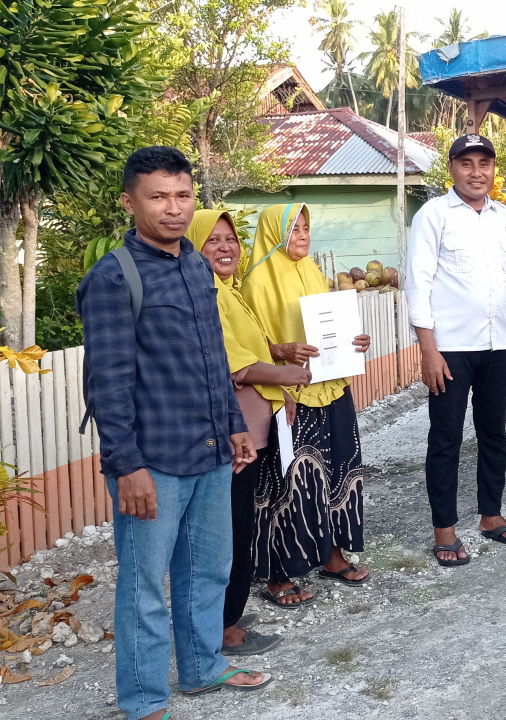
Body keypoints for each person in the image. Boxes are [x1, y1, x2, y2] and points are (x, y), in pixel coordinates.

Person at [78, 147, 271, 720]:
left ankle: (204, 667)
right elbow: (107, 383)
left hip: (210, 451)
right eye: (158, 196)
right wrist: (126, 465)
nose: (173, 208)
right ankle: (143, 702)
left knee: (207, 569)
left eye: (183, 196)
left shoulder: (194, 264)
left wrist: (235, 426)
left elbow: (214, 360)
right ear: (129, 201)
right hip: (153, 461)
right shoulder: (113, 277)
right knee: (145, 588)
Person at [405, 133, 506, 567]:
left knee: (493, 433)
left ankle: (490, 515)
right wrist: (428, 350)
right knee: (445, 439)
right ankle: (443, 529)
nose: (477, 171)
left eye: (485, 163)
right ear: (452, 169)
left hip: (499, 345)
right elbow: (418, 284)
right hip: (450, 349)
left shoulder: (505, 218)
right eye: (467, 163)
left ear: (493, 170)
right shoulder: (433, 216)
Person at [188, 210, 313, 654]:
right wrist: (287, 377)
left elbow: (255, 349)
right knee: (227, 530)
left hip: (255, 431)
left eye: (230, 240)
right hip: (232, 432)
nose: (225, 248)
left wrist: (283, 391)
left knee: (241, 523)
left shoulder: (228, 290)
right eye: (212, 241)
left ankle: (230, 612)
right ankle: (221, 628)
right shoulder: (205, 295)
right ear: (192, 246)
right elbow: (233, 362)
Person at [240, 203, 373, 591]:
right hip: (290, 395)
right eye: (293, 229)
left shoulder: (313, 270)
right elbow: (244, 347)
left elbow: (328, 327)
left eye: (305, 227)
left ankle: (332, 555)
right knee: (290, 479)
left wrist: (355, 339)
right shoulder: (256, 282)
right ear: (272, 233)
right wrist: (280, 352)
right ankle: (279, 572)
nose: (301, 235)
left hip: (332, 388)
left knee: (335, 471)